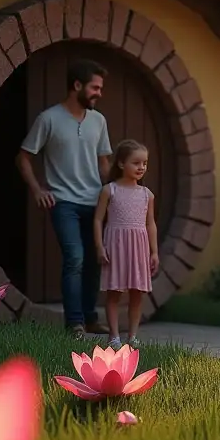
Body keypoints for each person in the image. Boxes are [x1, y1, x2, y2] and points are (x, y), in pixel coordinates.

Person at [17, 59, 112, 337]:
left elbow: (103, 162)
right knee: (75, 258)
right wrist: (37, 190)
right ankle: (75, 323)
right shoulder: (48, 119)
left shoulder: (99, 120)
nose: (99, 93)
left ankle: (91, 317)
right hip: (64, 203)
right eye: (95, 87)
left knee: (95, 260)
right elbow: (23, 158)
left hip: (94, 202)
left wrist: (113, 193)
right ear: (77, 85)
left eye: (101, 88)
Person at [93, 139, 159, 349]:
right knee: (114, 293)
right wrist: (99, 247)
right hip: (116, 247)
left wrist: (154, 252)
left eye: (145, 163)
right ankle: (114, 336)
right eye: (136, 162)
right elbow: (97, 220)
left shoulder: (147, 195)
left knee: (136, 294)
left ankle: (133, 336)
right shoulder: (109, 190)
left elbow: (151, 224)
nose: (141, 167)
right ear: (121, 164)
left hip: (139, 248)